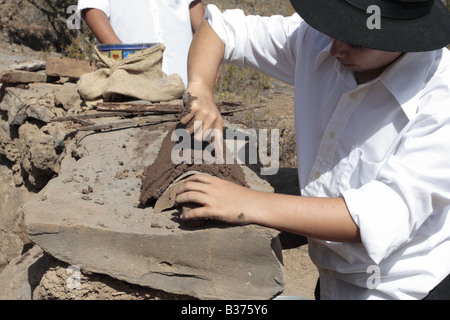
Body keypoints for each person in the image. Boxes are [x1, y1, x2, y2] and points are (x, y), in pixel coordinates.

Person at [175, 0, 450, 300]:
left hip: (401, 289)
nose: (334, 50)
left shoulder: (439, 101)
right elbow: (222, 28)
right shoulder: (318, 40)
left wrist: (247, 203)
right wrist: (200, 87)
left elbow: (374, 218)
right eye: (333, 29)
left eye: (356, 42)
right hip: (332, 283)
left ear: (404, 35)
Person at [77, 0, 205, 86]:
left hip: (186, 78)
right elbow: (93, 11)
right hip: (133, 81)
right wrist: (127, 62)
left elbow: (194, 7)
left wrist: (207, 59)